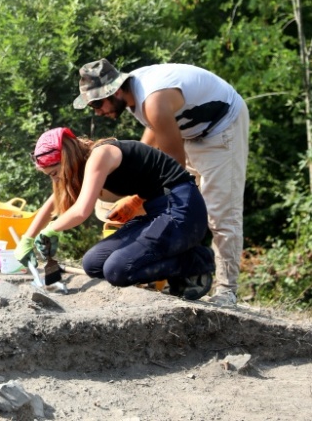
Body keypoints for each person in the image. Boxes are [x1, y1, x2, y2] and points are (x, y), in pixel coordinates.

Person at [72, 59, 249, 307]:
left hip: (220, 129)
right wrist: (135, 193)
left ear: (116, 90)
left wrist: (137, 198)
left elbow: (172, 167)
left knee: (220, 212)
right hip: (190, 131)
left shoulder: (153, 99)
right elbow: (149, 153)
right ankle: (186, 271)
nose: (98, 111)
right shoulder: (135, 98)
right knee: (178, 207)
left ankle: (226, 290)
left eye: (98, 103)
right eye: (92, 106)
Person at [15, 127, 215, 300]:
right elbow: (53, 202)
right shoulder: (81, 165)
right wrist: (27, 239)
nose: (56, 179)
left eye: (54, 173)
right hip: (157, 213)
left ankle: (196, 260)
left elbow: (82, 210)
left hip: (182, 211)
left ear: (65, 159)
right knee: (92, 264)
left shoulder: (100, 155)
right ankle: (178, 260)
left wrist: (51, 230)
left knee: (116, 270)